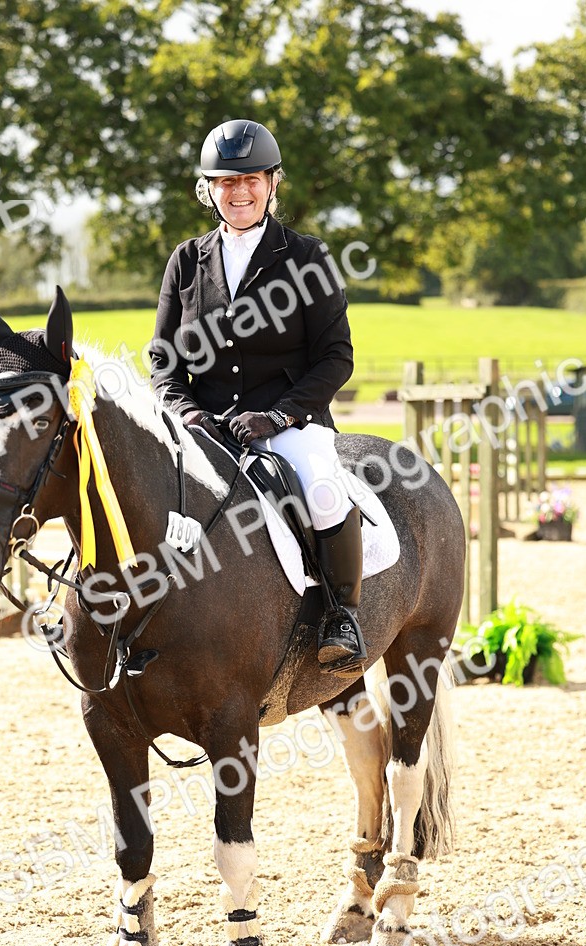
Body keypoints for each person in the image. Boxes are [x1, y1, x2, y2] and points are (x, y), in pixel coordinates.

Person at [150, 118, 366, 671]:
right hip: (205, 429)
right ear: (208, 190)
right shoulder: (186, 262)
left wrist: (279, 415)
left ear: (273, 183)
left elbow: (335, 358)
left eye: (250, 179)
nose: (238, 191)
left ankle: (341, 614)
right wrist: (188, 412)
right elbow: (163, 360)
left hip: (290, 426)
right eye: (225, 181)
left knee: (320, 486)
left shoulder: (306, 257)